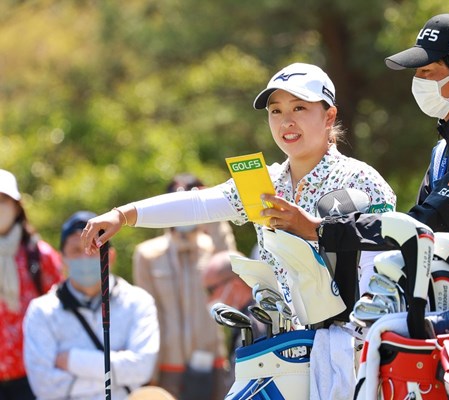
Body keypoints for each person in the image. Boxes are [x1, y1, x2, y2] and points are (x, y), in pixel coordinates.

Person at [260, 13, 449, 399]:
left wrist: (319, 230)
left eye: (427, 71)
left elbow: (421, 227)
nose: (417, 82)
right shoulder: (446, 148)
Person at [81, 62, 396, 397]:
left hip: (352, 355)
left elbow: (385, 271)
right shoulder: (265, 182)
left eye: (299, 108)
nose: (286, 121)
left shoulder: (360, 179)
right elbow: (200, 204)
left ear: (329, 116)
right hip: (286, 349)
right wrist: (124, 215)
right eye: (276, 111)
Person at [23, 211, 159, 400]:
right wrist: (119, 370)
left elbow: (142, 368)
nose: (86, 257)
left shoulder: (139, 302)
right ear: (62, 257)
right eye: (76, 250)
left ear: (110, 256)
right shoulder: (41, 311)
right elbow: (44, 386)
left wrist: (71, 360)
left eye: (94, 248)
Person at [132, 173, 235, 400]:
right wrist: (150, 368)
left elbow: (232, 264)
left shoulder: (211, 249)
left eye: (189, 203)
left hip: (212, 360)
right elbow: (148, 314)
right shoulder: (147, 254)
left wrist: (211, 204)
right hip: (169, 364)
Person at [0, 169, 63, 400]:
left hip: (32, 373)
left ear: (17, 206)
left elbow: (61, 309)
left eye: (3, 200)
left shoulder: (39, 255)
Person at [201, 250, 268, 360]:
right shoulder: (246, 320)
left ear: (236, 285)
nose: (208, 299)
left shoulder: (255, 324)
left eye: (210, 291)